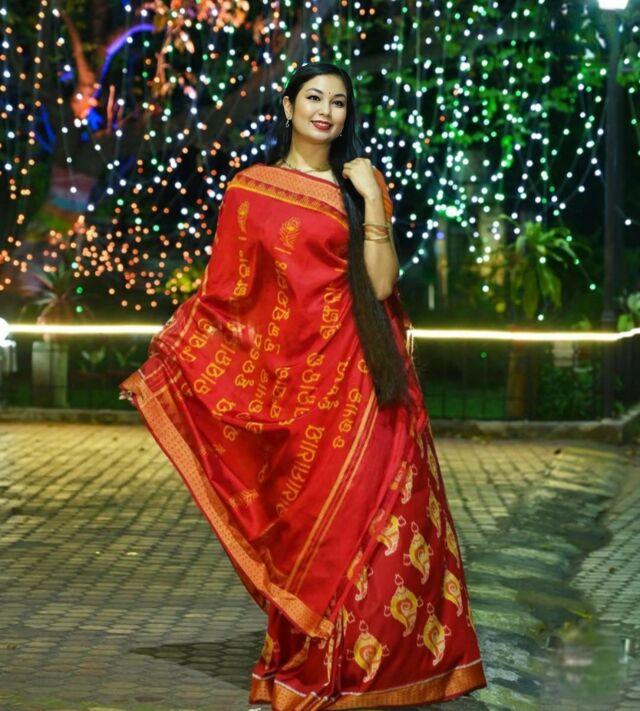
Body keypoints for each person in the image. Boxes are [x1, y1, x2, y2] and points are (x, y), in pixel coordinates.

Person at [119, 61, 487, 710]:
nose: (326, 110)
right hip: (294, 387)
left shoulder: (360, 183)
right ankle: (308, 662)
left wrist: (370, 199)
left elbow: (381, 284)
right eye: (314, 98)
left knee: (380, 522)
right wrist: (178, 355)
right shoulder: (250, 189)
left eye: (338, 102)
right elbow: (229, 294)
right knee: (307, 534)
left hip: (366, 382)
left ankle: (382, 669)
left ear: (347, 116)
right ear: (288, 107)